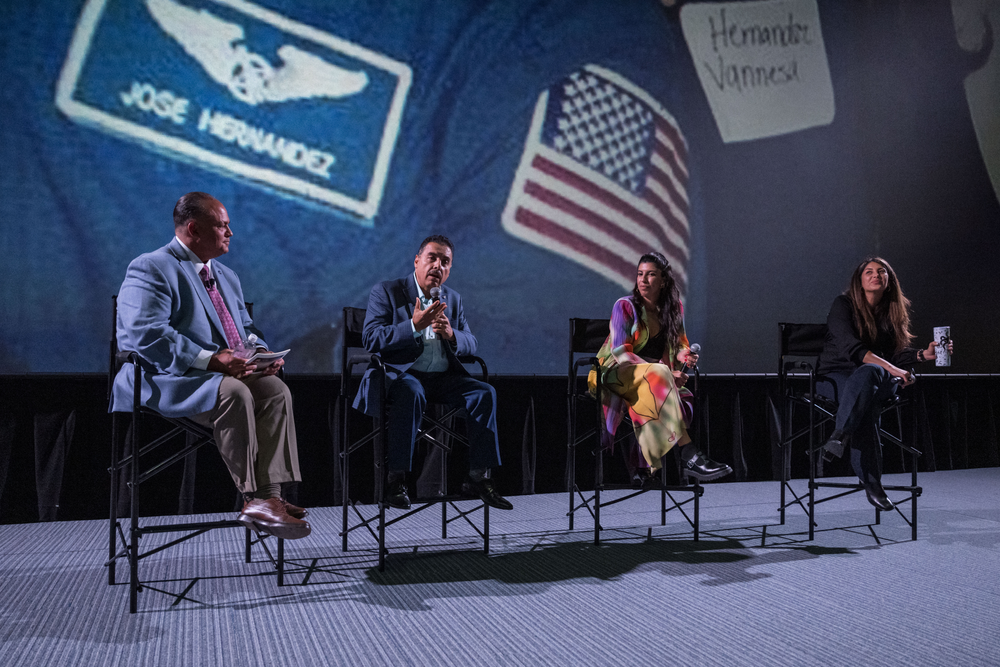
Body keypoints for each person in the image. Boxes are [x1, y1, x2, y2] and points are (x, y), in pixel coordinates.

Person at [111, 192, 309, 539]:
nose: (230, 233)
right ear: (194, 229)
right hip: (165, 377)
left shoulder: (227, 276)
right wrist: (212, 360)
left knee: (275, 390)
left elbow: (246, 329)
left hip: (217, 375)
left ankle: (270, 498)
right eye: (223, 226)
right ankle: (253, 498)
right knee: (234, 393)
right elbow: (147, 334)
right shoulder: (151, 266)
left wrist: (259, 355)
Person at [354, 235, 513, 511]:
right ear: (417, 261)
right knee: (411, 390)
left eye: (445, 262)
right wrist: (413, 326)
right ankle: (397, 479)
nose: (438, 266)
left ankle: (477, 476)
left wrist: (452, 335)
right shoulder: (388, 292)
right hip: (400, 377)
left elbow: (471, 341)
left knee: (484, 392)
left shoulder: (452, 299)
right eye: (432, 258)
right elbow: (371, 338)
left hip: (441, 379)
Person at [817, 256, 954, 511]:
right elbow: (854, 349)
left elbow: (893, 354)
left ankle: (840, 436)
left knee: (870, 375)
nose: (875, 275)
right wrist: (895, 369)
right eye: (868, 271)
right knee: (866, 400)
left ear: (889, 280)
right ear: (859, 280)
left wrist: (922, 355)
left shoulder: (892, 311)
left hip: (876, 379)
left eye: (882, 271)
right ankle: (872, 484)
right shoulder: (843, 305)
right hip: (835, 377)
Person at [591, 251, 732, 483]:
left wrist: (685, 355)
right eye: (640, 274)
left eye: (651, 275)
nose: (643, 280)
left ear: (663, 281)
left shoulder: (674, 309)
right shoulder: (624, 306)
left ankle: (645, 462)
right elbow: (621, 353)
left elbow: (679, 346)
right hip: (615, 374)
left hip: (654, 380)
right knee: (659, 379)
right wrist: (664, 371)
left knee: (680, 398)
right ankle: (690, 456)